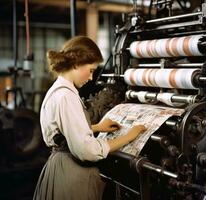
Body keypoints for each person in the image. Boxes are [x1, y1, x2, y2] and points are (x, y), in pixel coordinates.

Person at [33, 36, 146, 200]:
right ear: (76, 63)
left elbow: (61, 131)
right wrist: (129, 136)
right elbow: (87, 150)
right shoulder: (66, 96)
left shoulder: (58, 90)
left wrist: (97, 127)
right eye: (91, 70)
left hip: (59, 167)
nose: (91, 78)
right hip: (71, 175)